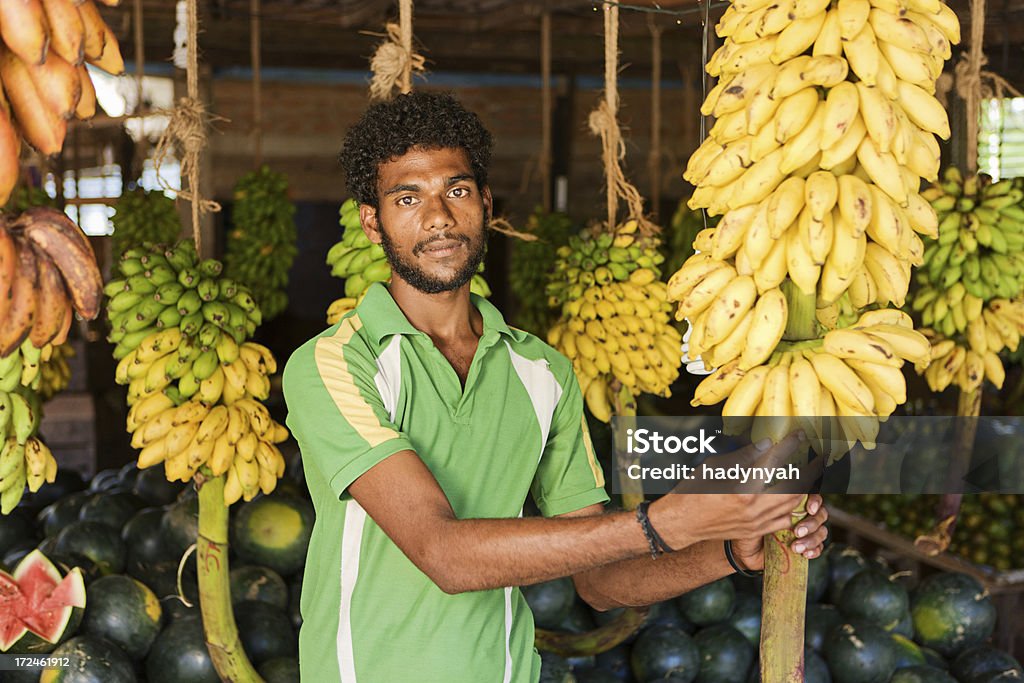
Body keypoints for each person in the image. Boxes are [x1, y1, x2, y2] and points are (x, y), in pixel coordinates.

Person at [282, 91, 828, 683]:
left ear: (486, 203)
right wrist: (661, 524)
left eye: (457, 190)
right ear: (372, 222)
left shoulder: (541, 371)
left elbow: (598, 581)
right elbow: (441, 555)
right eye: (407, 198)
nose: (438, 217)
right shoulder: (334, 364)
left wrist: (725, 551)